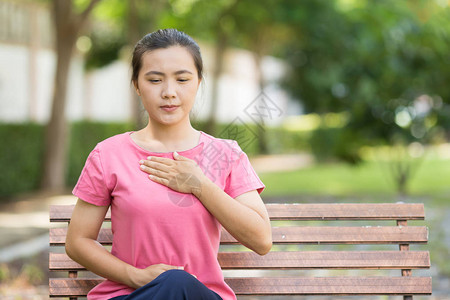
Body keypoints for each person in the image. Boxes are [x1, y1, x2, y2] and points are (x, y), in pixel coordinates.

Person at [65, 28, 272, 300]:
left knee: (178, 284)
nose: (169, 92)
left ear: (198, 82)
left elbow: (262, 240)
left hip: (200, 295)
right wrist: (135, 276)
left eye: (182, 79)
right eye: (154, 80)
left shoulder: (226, 154)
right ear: (137, 85)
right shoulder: (109, 155)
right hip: (129, 296)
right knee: (171, 284)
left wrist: (199, 185)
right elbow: (77, 241)